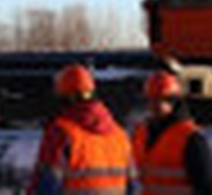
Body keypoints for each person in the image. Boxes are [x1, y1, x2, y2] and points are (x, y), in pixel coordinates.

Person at [28, 63, 133, 195]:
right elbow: (132, 187)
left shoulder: (61, 132)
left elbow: (47, 185)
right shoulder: (120, 136)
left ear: (67, 98)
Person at [131, 70, 212, 195]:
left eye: (160, 100)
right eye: (151, 100)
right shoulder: (141, 133)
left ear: (174, 101)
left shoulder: (190, 137)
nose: (153, 106)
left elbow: (208, 187)